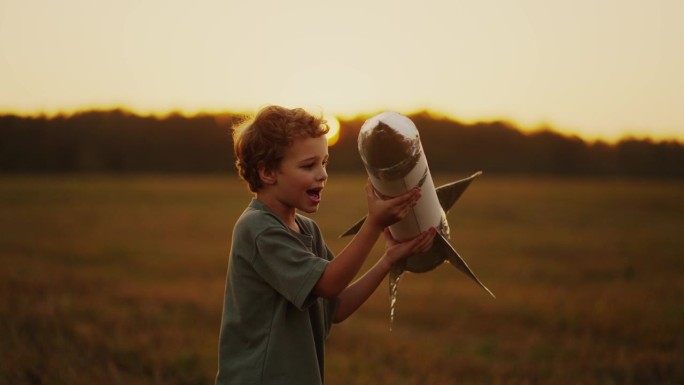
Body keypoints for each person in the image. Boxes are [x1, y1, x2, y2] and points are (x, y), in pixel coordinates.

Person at [215, 105, 436, 385]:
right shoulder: (257, 229)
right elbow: (329, 283)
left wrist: (388, 260)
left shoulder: (307, 230)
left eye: (325, 162)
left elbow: (337, 305)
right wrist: (374, 224)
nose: (322, 174)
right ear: (268, 172)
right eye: (309, 165)